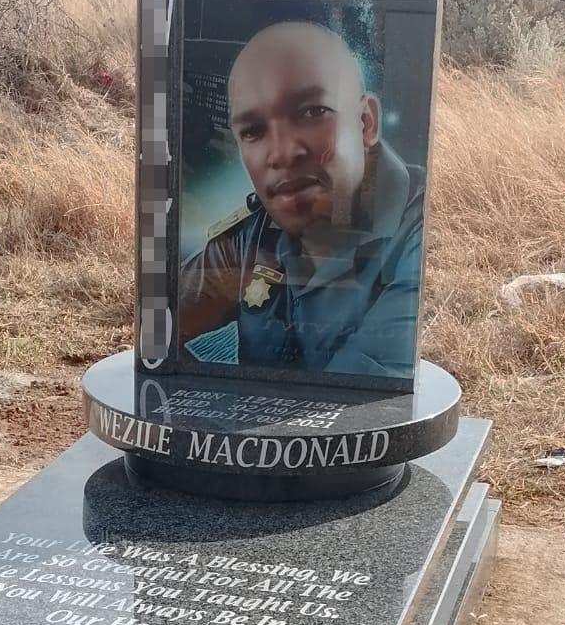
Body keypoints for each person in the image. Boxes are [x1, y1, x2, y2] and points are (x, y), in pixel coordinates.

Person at [178, 20, 423, 379]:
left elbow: (358, 406)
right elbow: (160, 322)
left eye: (311, 112)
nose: (282, 153)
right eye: (253, 131)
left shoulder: (415, 238)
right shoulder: (253, 235)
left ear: (366, 122)